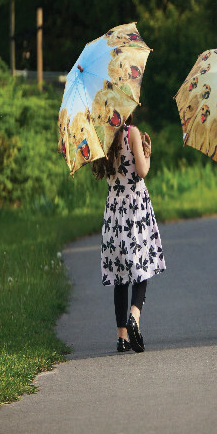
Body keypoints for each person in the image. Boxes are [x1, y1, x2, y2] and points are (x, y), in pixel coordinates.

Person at [92, 115, 165, 353]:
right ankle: (135, 314)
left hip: (114, 209)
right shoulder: (132, 133)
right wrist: (148, 154)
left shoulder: (105, 136)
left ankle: (121, 337)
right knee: (142, 264)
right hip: (134, 207)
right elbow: (142, 171)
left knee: (120, 274)